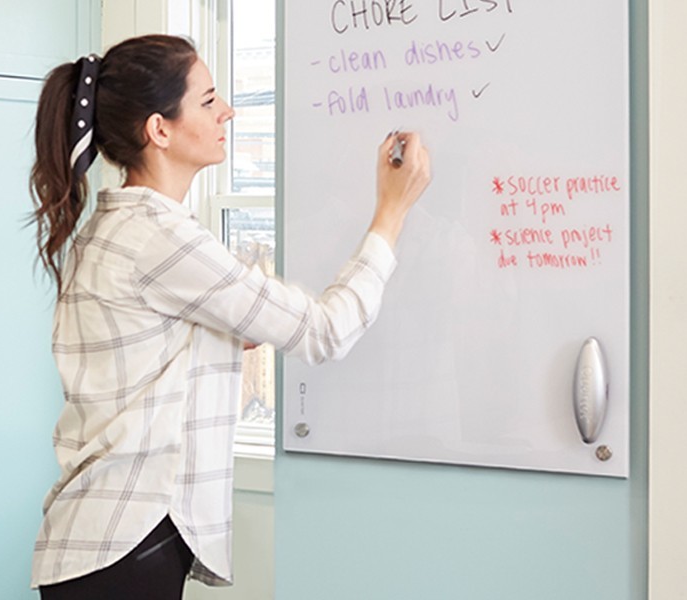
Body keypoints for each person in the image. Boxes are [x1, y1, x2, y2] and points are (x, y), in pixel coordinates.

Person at [26, 34, 431, 600]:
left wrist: (217, 337)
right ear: (159, 130)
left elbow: (151, 352)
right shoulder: (161, 238)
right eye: (209, 100)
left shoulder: (114, 228)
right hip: (127, 547)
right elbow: (325, 332)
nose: (229, 112)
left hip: (102, 543)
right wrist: (392, 210)